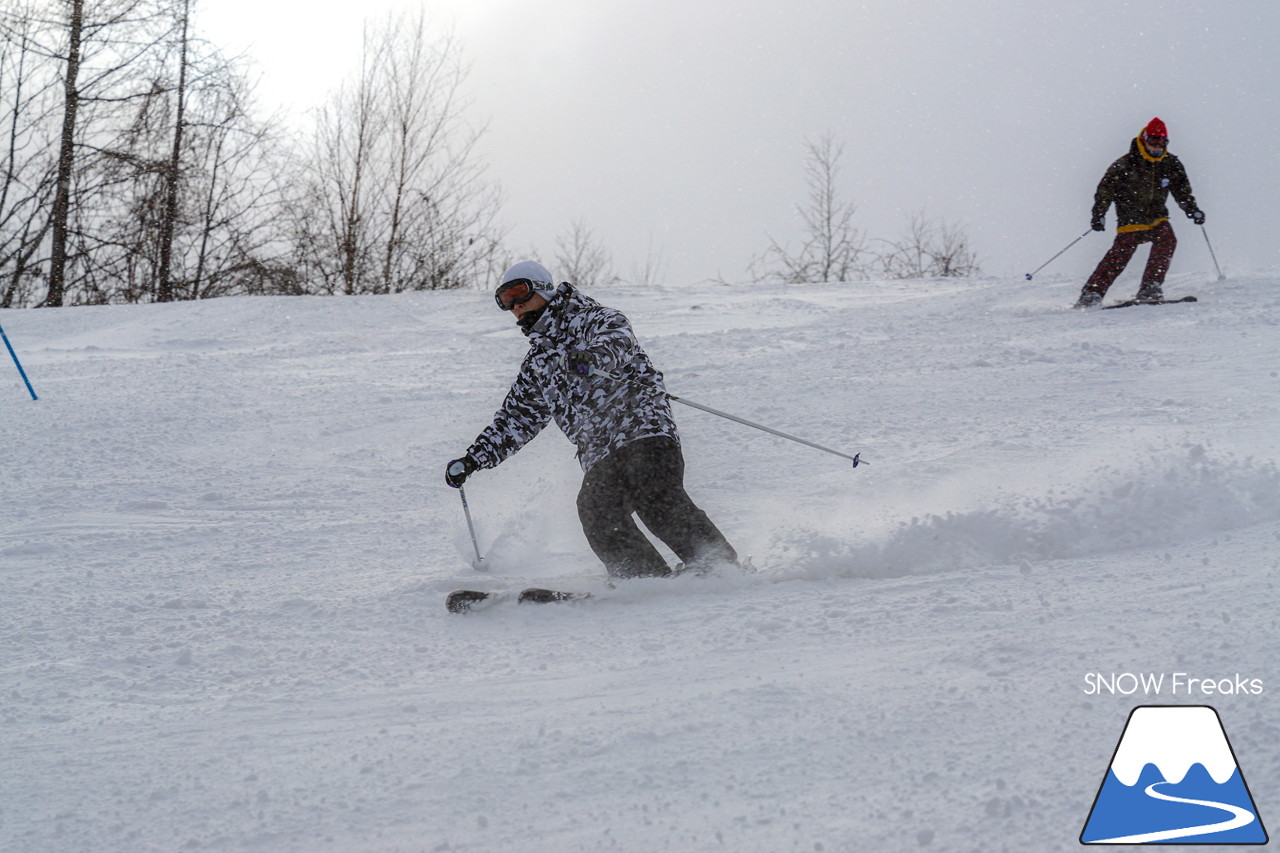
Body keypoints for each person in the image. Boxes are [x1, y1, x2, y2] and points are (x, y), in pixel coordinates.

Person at [445, 260, 738, 579]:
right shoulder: (538, 363)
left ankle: (719, 567)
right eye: (505, 301)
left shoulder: (596, 319)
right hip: (598, 451)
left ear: (544, 290)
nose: (515, 306)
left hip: (643, 431)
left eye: (520, 293)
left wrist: (590, 358)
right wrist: (475, 458)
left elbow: (617, 342)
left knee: (654, 498)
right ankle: (644, 579)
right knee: (597, 511)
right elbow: (517, 418)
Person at [1073, 117, 1206, 308]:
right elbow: (1105, 190)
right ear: (1144, 139)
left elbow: (1182, 191)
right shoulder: (1126, 164)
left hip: (1157, 216)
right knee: (1120, 254)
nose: (1158, 147)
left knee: (1167, 240)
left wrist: (1192, 210)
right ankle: (1091, 294)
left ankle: (1150, 288)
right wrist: (1099, 214)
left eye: (1162, 143)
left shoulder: (1170, 164)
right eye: (1153, 142)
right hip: (1131, 217)